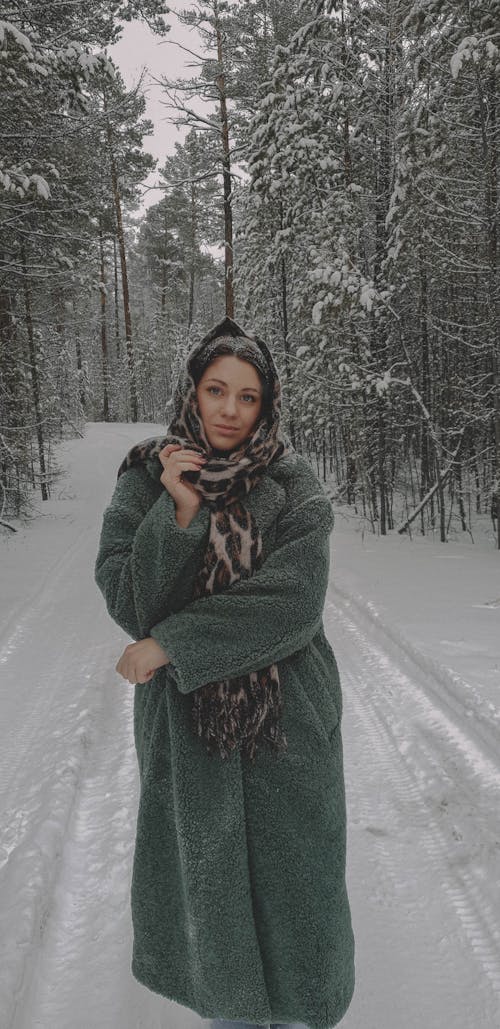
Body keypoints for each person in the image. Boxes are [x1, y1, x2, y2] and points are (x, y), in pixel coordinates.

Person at [94, 315, 355, 1029]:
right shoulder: (148, 479)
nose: (231, 410)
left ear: (266, 403)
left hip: (287, 729)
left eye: (247, 396)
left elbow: (292, 603)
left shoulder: (296, 487)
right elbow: (128, 598)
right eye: (217, 390)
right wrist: (179, 513)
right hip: (189, 736)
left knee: (297, 906)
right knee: (215, 919)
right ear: (194, 392)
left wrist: (174, 642)